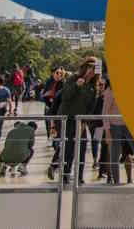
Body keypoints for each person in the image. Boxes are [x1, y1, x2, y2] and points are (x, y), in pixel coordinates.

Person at [54, 57, 101, 185]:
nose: (92, 72)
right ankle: (65, 174)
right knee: (69, 148)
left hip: (81, 121)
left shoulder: (94, 86)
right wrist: (76, 85)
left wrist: (85, 121)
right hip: (68, 118)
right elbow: (65, 96)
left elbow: (91, 106)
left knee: (82, 147)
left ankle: (79, 175)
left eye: (95, 69)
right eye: (90, 68)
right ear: (85, 68)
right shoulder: (73, 78)